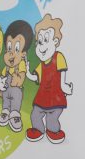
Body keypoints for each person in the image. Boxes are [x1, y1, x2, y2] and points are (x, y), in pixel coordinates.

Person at [25, 14, 73, 143]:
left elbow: (62, 74)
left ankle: (53, 131)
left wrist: (64, 86)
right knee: (35, 115)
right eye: (39, 42)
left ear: (55, 42)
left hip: (55, 98)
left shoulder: (59, 57)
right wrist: (28, 72)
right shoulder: (41, 65)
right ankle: (38, 130)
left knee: (52, 118)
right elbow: (36, 77)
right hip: (42, 98)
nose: (41, 46)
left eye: (46, 40)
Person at [0, 20, 33, 132]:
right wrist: (1, 87)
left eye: (16, 49)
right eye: (9, 48)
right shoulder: (6, 68)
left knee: (15, 102)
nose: (11, 53)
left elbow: (21, 77)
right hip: (6, 91)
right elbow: (3, 78)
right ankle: (5, 112)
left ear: (23, 53)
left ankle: (15, 115)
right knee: (6, 102)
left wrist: (18, 79)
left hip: (16, 91)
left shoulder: (21, 65)